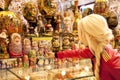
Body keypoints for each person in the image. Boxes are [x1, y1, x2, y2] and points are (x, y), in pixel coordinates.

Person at [55, 14, 120, 80]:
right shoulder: (95, 50)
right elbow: (77, 53)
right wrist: (56, 54)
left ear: (90, 36)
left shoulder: (110, 59)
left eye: (81, 33)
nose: (80, 37)